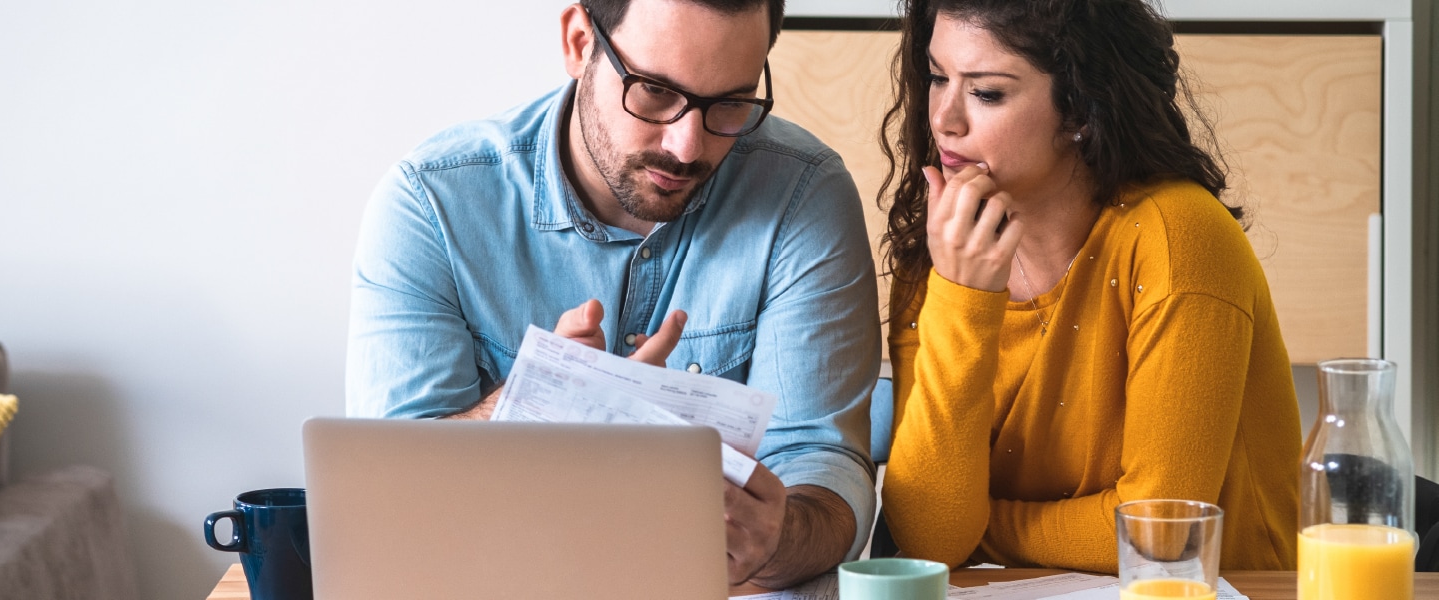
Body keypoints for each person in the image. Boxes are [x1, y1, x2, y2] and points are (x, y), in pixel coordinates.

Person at [346, 0, 880, 588]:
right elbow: (384, 493)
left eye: (729, 103)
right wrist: (533, 408)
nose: (686, 146)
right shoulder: (431, 204)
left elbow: (823, 463)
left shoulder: (804, 195)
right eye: (653, 92)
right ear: (579, 43)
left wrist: (778, 536)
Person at [876, 0, 1300, 572]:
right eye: (936, 77)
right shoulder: (940, 255)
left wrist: (979, 526)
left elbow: (1158, 534)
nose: (944, 119)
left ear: (1079, 109)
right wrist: (962, 294)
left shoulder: (1180, 239)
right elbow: (930, 538)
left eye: (987, 93)